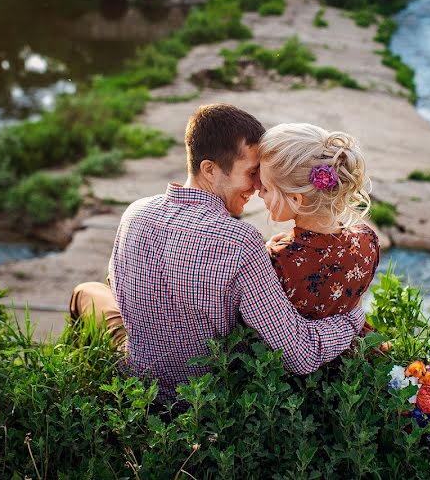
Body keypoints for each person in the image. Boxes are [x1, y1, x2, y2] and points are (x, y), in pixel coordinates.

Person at [69, 104, 364, 401]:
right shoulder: (241, 240)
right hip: (203, 402)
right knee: (90, 293)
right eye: (252, 172)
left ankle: (75, 370)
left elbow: (116, 286)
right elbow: (299, 355)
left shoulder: (135, 212)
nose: (258, 186)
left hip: (138, 383)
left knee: (85, 292)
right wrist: (351, 319)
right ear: (209, 169)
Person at [257, 123, 380, 321]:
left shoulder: (277, 261)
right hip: (355, 345)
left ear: (296, 200)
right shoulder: (368, 239)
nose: (258, 192)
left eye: (265, 187)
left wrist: (265, 258)